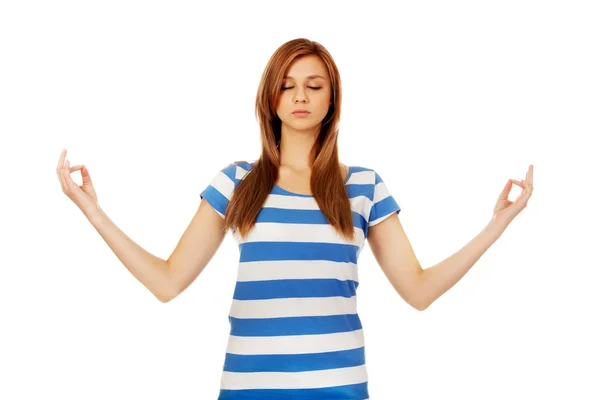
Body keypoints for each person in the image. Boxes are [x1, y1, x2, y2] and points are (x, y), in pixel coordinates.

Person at [56, 38, 534, 400]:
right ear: (271, 98)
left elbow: (419, 291)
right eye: (286, 85)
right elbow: (167, 281)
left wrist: (498, 224)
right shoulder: (238, 183)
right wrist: (92, 209)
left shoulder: (364, 186)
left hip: (339, 388)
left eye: (313, 85)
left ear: (332, 101)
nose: (299, 96)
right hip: (249, 387)